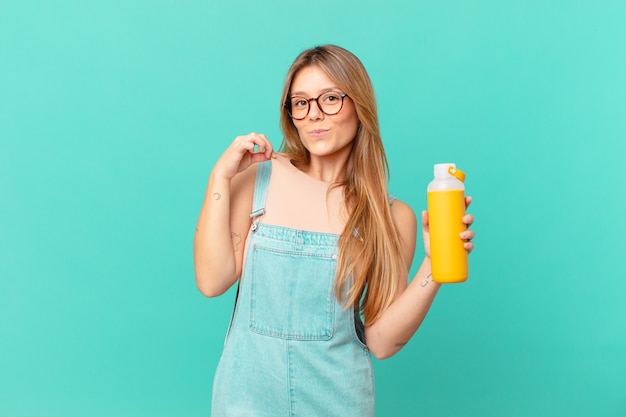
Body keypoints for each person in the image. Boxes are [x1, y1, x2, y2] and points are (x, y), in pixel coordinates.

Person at [193, 44, 475, 416]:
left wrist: (436, 265)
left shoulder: (390, 216)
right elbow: (211, 281)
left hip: (337, 400)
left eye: (330, 99)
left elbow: (382, 342)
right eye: (301, 102)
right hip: (246, 400)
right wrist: (221, 176)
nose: (314, 115)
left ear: (359, 104)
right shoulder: (258, 176)